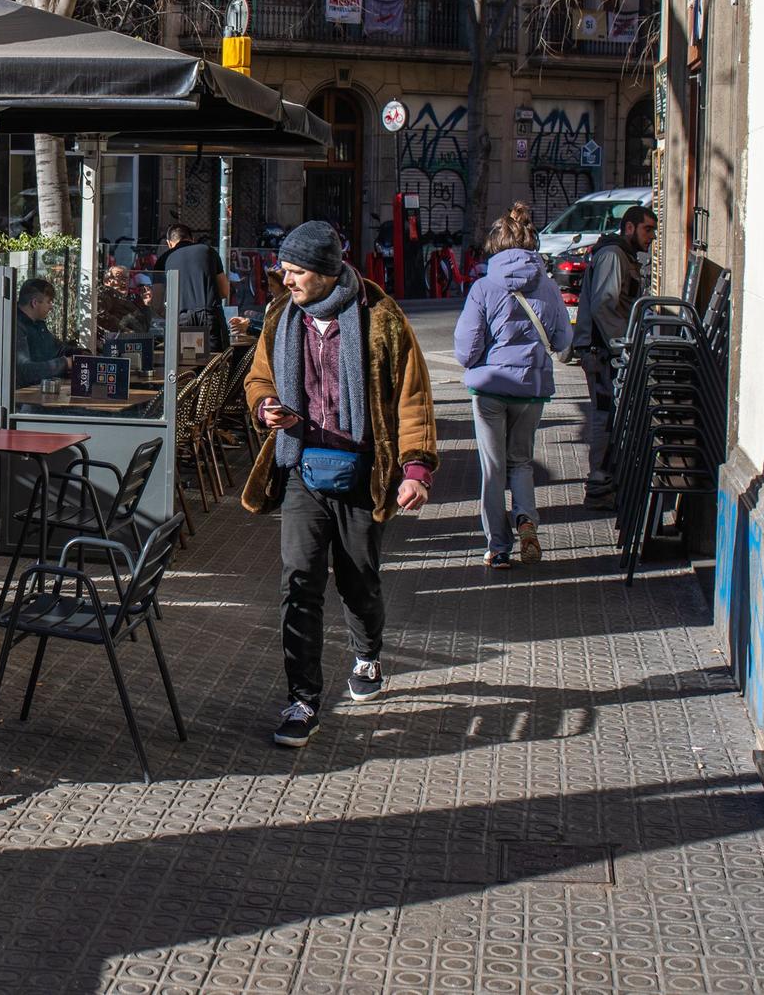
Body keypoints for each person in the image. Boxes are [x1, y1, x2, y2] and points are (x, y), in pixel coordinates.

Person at [241, 220, 438, 749]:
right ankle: (303, 700)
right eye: (284, 270)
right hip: (303, 468)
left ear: (327, 273)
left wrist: (415, 469)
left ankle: (368, 655)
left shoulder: (381, 319)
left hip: (362, 472)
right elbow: (258, 376)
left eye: (296, 271)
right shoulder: (281, 319)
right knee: (299, 579)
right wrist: (266, 407)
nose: (286, 281)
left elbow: (412, 397)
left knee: (358, 580)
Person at [453, 203, 573, 569]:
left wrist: (482, 360)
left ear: (495, 246)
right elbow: (563, 337)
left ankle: (499, 547)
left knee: (493, 468)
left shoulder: (484, 288)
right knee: (521, 461)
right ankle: (527, 521)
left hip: (491, 390)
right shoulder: (549, 287)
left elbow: (465, 349)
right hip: (532, 389)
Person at [569, 204, 656, 508]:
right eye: (648, 229)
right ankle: (599, 487)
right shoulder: (612, 255)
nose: (653, 236)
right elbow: (604, 305)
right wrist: (624, 346)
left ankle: (606, 483)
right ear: (629, 227)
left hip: (607, 351)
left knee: (610, 418)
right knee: (605, 418)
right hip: (602, 353)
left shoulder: (622, 256)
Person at [155, 224, 232, 348]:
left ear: (169, 243)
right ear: (192, 239)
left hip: (181, 318)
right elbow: (224, 291)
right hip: (210, 315)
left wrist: (171, 315)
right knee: (217, 362)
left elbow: (157, 302)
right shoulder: (208, 251)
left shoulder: (164, 259)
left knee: (187, 361)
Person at [12, 277, 71, 385]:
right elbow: (25, 371)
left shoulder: (38, 324)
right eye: (48, 302)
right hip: (21, 396)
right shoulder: (15, 326)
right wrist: (65, 363)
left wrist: (79, 354)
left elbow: (56, 348)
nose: (51, 307)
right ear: (34, 303)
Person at [97, 265, 152, 337]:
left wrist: (146, 305)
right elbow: (102, 316)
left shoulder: (133, 298)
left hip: (137, 340)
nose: (124, 282)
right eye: (119, 277)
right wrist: (125, 330)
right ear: (107, 281)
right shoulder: (107, 294)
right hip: (117, 341)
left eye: (126, 279)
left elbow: (145, 328)